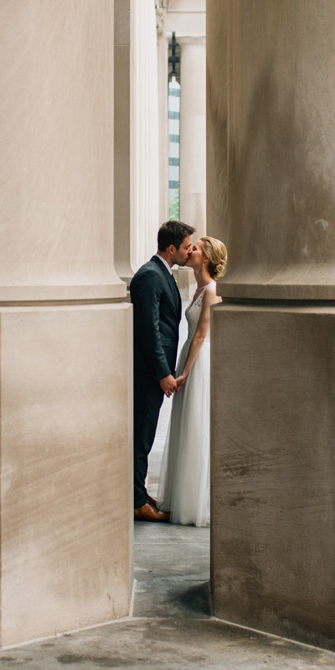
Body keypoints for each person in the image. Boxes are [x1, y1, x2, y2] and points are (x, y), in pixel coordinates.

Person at [156, 235, 228, 527]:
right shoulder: (198, 287)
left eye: (195, 248)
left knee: (197, 424)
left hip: (199, 359)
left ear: (207, 257)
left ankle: (197, 500)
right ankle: (181, 495)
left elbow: (201, 335)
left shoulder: (211, 290)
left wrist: (184, 371)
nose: (189, 251)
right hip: (189, 354)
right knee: (185, 424)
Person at [129, 219, 195, 521]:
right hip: (147, 373)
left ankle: (138, 493)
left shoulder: (162, 273)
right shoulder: (150, 276)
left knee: (145, 434)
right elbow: (148, 330)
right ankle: (136, 502)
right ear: (171, 248)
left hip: (153, 372)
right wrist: (162, 373)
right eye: (185, 247)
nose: (189, 251)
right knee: (141, 436)